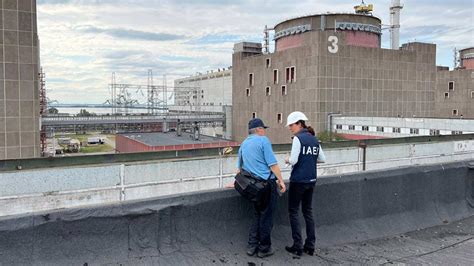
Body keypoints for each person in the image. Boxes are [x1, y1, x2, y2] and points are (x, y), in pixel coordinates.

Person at [237, 118, 286, 258]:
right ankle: (264, 249)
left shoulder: (244, 144)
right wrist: (281, 181)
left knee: (258, 215)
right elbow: (273, 164)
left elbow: (239, 168)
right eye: (263, 128)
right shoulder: (263, 140)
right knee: (267, 217)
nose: (264, 131)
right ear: (259, 129)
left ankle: (252, 246)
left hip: (252, 187)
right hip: (266, 185)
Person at [284, 111, 326, 256]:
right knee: (308, 212)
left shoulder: (298, 139)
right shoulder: (314, 138)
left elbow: (294, 160)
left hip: (298, 181)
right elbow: (322, 158)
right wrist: (309, 160)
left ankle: (297, 245)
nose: (290, 128)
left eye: (291, 125)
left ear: (299, 123)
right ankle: (310, 245)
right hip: (311, 180)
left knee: (293, 212)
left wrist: (287, 159)